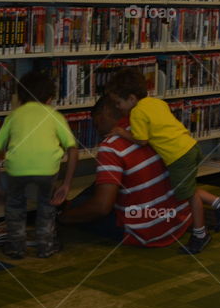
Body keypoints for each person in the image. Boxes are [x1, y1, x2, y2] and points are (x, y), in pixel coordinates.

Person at [106, 68, 220, 254]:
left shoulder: (137, 113)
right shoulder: (156, 102)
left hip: (178, 156)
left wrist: (121, 132)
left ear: (132, 99)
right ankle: (219, 203)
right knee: (186, 186)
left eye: (118, 103)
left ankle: (200, 234)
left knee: (189, 195)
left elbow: (142, 140)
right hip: (190, 146)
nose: (118, 107)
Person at [58, 96, 194, 247]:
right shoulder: (148, 127)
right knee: (97, 187)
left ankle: (62, 212)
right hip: (179, 219)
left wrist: (65, 218)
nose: (96, 130)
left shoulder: (111, 146)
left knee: (84, 206)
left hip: (146, 231)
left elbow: (101, 208)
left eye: (95, 123)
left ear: (104, 113)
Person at [0, 71, 78, 259]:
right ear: (51, 97)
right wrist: (67, 184)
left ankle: (15, 246)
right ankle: (46, 246)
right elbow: (72, 149)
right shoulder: (55, 116)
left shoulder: (14, 116)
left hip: (17, 168)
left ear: (20, 96)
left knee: (14, 205)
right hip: (47, 169)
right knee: (47, 204)